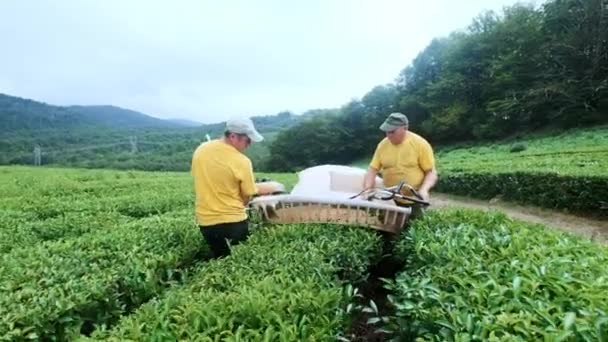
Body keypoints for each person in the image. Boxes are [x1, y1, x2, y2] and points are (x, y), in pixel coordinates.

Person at [191, 117, 280, 258]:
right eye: (247, 140)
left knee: (220, 258)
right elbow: (247, 196)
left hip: (206, 223)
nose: (249, 144)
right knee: (238, 261)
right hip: (232, 223)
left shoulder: (200, 150)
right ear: (233, 136)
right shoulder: (242, 161)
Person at [363, 112, 438, 219]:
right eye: (387, 132)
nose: (388, 135)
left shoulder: (420, 144)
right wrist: (367, 190)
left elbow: (431, 172)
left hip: (414, 199)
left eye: (392, 132)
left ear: (405, 128)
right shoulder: (382, 145)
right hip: (390, 198)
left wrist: (424, 190)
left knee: (413, 229)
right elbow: (372, 170)